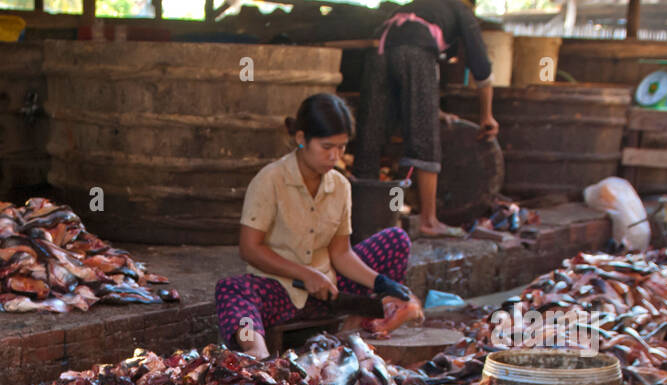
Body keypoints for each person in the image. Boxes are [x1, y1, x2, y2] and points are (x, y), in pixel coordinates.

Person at [214, 94, 414, 359]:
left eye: (342, 148)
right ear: (301, 139)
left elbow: (341, 253)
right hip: (280, 291)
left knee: (396, 240)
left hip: (329, 291)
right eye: (326, 146)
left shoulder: (340, 186)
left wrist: (380, 282)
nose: (335, 156)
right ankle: (258, 356)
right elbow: (250, 249)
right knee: (232, 288)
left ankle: (350, 333)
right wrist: (305, 274)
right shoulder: (270, 180)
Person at [354, 0, 500, 238]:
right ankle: (428, 220)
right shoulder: (461, 9)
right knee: (423, 136)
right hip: (414, 51)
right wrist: (487, 115)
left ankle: (367, 220)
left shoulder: (419, 5)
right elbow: (481, 68)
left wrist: (436, 111)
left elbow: (406, 95)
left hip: (379, 50)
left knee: (371, 135)